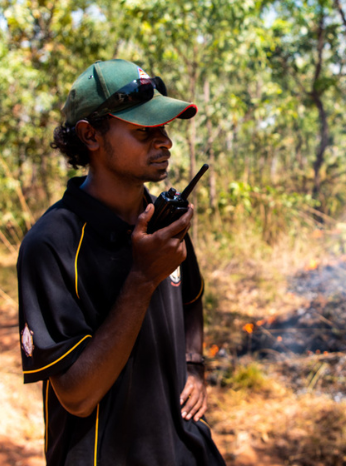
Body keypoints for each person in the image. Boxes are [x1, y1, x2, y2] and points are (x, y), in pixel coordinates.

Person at [17, 59, 226, 465]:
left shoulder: (163, 220)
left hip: (183, 446)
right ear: (90, 136)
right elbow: (77, 397)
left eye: (164, 128)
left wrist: (195, 365)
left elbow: (191, 297)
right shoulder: (50, 244)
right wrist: (143, 277)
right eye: (144, 131)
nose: (164, 141)